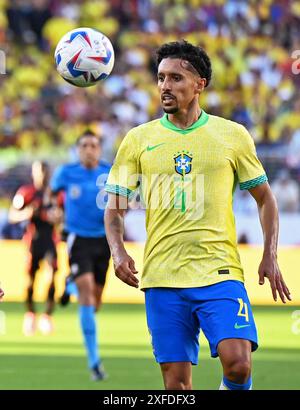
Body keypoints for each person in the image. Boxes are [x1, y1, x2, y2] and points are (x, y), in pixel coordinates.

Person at [104, 40, 292, 390]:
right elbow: (114, 207)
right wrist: (118, 251)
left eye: (175, 78)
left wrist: (270, 253)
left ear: (199, 84)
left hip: (218, 271)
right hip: (162, 276)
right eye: (161, 78)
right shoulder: (138, 139)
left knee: (238, 364)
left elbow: (266, 199)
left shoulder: (232, 136)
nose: (165, 86)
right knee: (177, 387)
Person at [50, 130, 111, 381]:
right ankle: (94, 363)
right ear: (77, 149)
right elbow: (52, 196)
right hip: (77, 238)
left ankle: (70, 285)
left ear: (99, 149)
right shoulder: (66, 172)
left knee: (94, 303)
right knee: (87, 295)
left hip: (104, 240)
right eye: (84, 145)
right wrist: (55, 211)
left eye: (93, 145)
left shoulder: (110, 172)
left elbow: (124, 199)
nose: (89, 149)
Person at [9, 160, 63, 336]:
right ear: (33, 173)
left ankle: (47, 316)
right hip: (33, 241)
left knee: (52, 276)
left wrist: (58, 218)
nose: (42, 174)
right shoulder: (26, 192)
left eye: (45, 171)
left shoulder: (56, 194)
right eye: (39, 171)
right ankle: (30, 314)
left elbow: (64, 217)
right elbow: (12, 215)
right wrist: (27, 213)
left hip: (50, 241)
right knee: (30, 280)